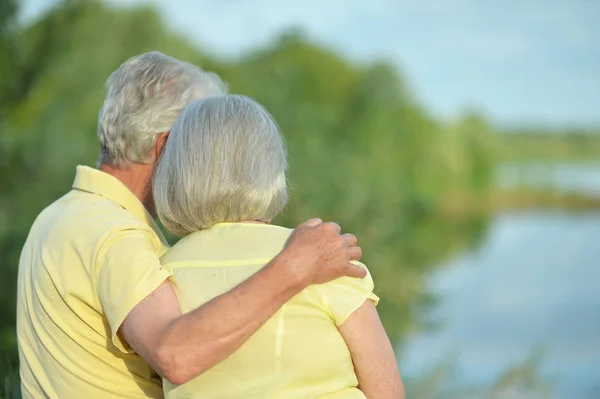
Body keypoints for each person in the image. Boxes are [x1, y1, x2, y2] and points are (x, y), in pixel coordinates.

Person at [16, 52, 367, 399]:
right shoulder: (119, 235)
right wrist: (295, 266)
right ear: (167, 144)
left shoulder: (60, 214)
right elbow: (175, 355)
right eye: (200, 141)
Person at [152, 95, 405, 399]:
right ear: (269, 169)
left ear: (177, 173)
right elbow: (387, 392)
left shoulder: (158, 274)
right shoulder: (325, 257)